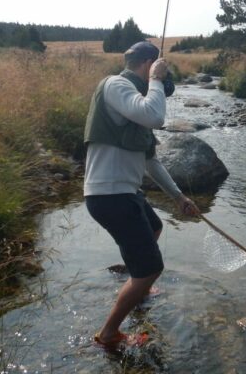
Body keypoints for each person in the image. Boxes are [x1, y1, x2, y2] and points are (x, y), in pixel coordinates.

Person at [83, 41, 200, 349]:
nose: (163, 82)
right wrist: (157, 79)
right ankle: (109, 333)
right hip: (110, 195)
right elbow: (155, 117)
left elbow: (150, 161)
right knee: (152, 268)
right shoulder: (116, 86)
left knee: (155, 227)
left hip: (124, 193)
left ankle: (139, 288)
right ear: (148, 63)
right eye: (159, 70)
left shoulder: (135, 100)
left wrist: (178, 197)